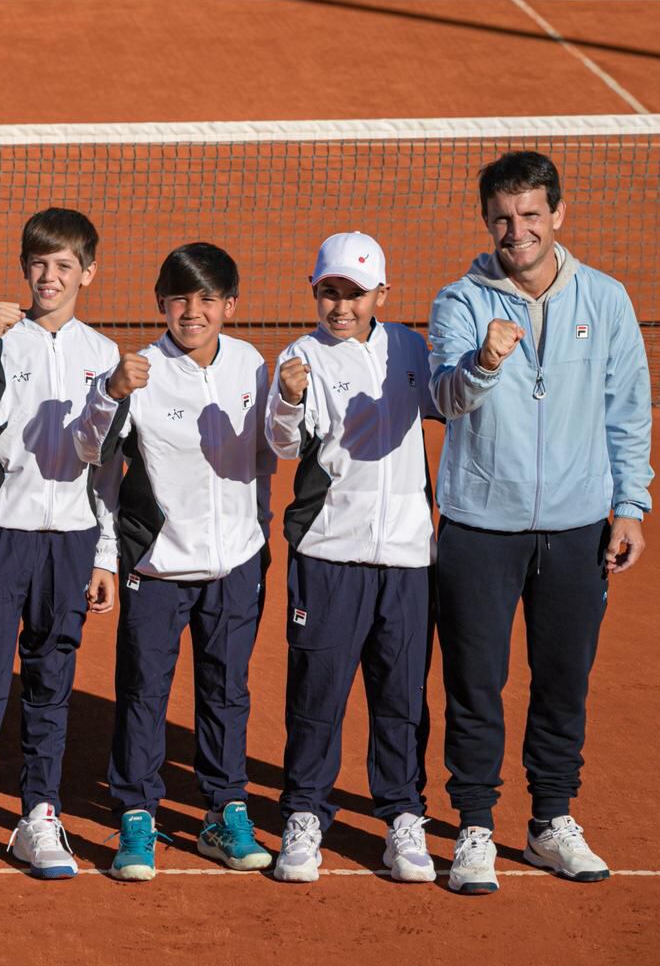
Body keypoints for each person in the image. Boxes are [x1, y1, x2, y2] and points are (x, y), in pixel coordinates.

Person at [429, 151, 652, 894]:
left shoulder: (608, 300)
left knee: (562, 680)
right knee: (475, 682)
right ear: (486, 220)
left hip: (579, 526)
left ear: (558, 214)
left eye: (530, 215)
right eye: (502, 216)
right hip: (478, 528)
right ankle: (474, 828)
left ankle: (551, 820)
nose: (515, 229)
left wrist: (630, 506)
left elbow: (627, 411)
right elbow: (446, 398)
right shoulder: (459, 300)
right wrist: (485, 364)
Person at [0, 209, 120, 890]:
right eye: (39, 263)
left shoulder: (104, 357)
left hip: (69, 542)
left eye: (65, 265)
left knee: (49, 684)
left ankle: (39, 813)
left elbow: (109, 469)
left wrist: (106, 558)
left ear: (88, 273)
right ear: (25, 267)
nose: (50, 276)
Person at [74, 242, 274, 882]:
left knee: (227, 692)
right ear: (161, 304)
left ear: (231, 306)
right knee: (142, 694)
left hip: (237, 562)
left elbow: (267, 459)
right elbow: (94, 462)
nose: (194, 312)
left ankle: (225, 810)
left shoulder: (251, 364)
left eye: (208, 299)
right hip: (157, 566)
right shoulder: (137, 372)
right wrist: (110, 394)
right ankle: (136, 815)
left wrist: (256, 532)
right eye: (181, 299)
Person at [263, 232, 437, 885]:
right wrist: (284, 396)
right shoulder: (301, 355)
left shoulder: (412, 349)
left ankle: (402, 816)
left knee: (400, 696)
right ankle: (305, 814)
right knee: (318, 694)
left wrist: (483, 364)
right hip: (329, 554)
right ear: (316, 292)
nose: (341, 306)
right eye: (330, 292)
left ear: (380, 296)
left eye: (355, 294)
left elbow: (447, 405)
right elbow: (283, 445)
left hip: (407, 556)